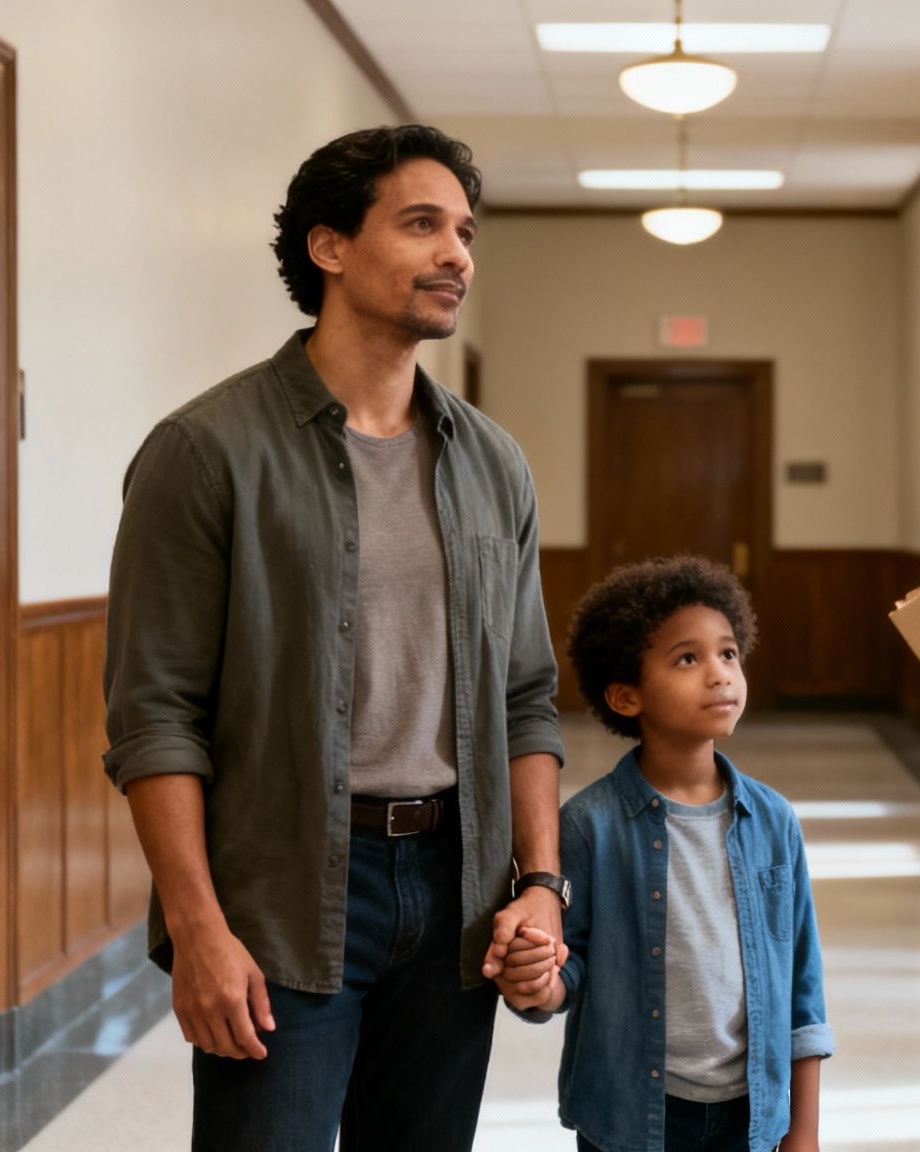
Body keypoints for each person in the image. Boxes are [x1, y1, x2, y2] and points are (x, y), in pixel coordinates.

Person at [101, 124, 567, 1151]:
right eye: (421, 225)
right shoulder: (206, 451)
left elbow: (525, 698)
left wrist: (539, 886)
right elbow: (154, 719)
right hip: (278, 892)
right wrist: (197, 930)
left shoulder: (494, 464)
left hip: (456, 892)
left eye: (465, 231)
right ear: (328, 248)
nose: (457, 255)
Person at [494, 556, 833, 1152]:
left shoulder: (774, 821)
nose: (719, 674)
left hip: (749, 1116)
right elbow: (568, 968)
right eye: (688, 658)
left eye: (728, 653)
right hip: (631, 1118)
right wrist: (539, 987)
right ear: (627, 696)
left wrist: (801, 1132)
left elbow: (801, 987)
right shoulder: (588, 826)